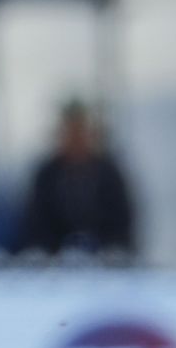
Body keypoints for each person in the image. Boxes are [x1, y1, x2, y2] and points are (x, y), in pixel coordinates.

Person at [22, 101, 135, 256]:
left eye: (81, 132)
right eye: (70, 132)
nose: (76, 139)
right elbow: (37, 227)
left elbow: (122, 224)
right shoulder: (47, 175)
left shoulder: (109, 174)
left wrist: (110, 250)